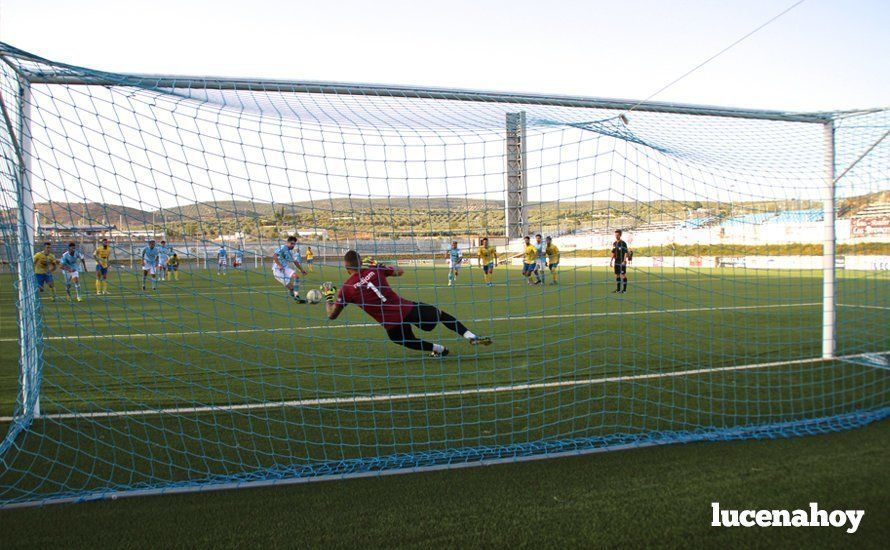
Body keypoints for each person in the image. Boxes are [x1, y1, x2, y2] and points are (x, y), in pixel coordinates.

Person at [323, 250, 492, 357]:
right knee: (441, 315)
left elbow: (332, 315)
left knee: (405, 340)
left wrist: (328, 297)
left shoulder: (346, 288)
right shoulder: (374, 270)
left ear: (346, 268)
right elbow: (400, 271)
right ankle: (470, 336)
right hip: (407, 309)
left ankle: (440, 349)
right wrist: (379, 264)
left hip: (391, 324)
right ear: (361, 262)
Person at [272, 236, 308, 303]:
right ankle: (296, 297)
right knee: (291, 287)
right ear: (287, 242)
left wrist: (301, 270)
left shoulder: (290, 252)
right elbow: (274, 256)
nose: (293, 245)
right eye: (292, 243)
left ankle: (296, 295)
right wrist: (279, 265)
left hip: (285, 268)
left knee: (296, 277)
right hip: (277, 270)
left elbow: (295, 261)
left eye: (294, 244)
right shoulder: (283, 247)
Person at [610, 229, 632, 293]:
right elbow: (613, 253)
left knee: (623, 275)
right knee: (617, 275)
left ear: (620, 235)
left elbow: (625, 252)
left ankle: (624, 290)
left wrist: (624, 261)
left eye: (617, 235)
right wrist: (611, 261)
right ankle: (618, 289)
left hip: (622, 261)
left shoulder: (623, 243)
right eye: (615, 235)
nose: (616, 236)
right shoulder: (614, 243)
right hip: (616, 261)